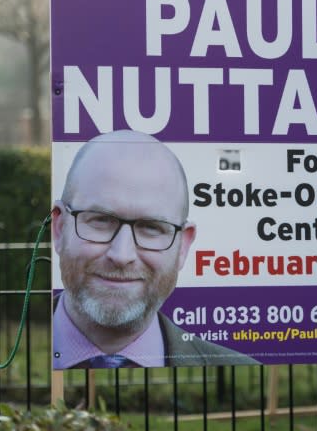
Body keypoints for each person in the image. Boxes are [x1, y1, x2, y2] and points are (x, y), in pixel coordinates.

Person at [51, 129, 258, 368]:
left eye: (151, 227)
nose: (121, 255)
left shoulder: (239, 366)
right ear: (59, 227)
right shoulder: (5, 359)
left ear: (183, 246)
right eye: (101, 220)